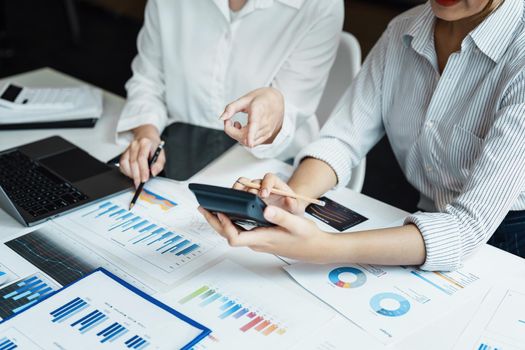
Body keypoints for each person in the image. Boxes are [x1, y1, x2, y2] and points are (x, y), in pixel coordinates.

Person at [199, 0, 525, 271]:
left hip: (509, 241)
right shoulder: (403, 31)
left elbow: (466, 228)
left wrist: (322, 248)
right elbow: (341, 140)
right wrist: (291, 199)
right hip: (418, 225)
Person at [117, 0, 344, 188]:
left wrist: (270, 118)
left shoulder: (320, 5)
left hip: (268, 171)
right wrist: (146, 133)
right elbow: (148, 79)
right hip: (177, 155)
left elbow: (291, 112)